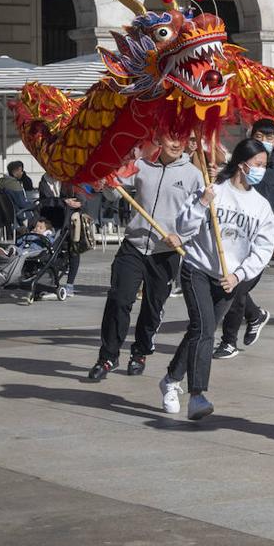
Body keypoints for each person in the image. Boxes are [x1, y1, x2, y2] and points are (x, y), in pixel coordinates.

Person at [159, 138, 274, 420]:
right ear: (242, 163)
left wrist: (239, 275)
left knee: (197, 331)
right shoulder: (213, 191)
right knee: (205, 329)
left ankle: (171, 379)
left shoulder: (261, 207)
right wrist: (201, 203)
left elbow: (263, 249)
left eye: (265, 165)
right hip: (197, 268)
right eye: (258, 164)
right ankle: (197, 395)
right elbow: (183, 226)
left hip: (229, 280)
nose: (262, 170)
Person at [88, 136, 203, 381]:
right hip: (134, 246)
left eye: (181, 139)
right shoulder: (141, 164)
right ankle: (108, 356)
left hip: (165, 252)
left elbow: (200, 214)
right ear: (161, 138)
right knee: (119, 299)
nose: (176, 144)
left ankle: (140, 351)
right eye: (172, 137)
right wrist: (107, 183)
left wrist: (181, 237)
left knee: (153, 307)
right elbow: (114, 192)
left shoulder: (193, 175)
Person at [214, 119, 274, 360]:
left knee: (237, 290)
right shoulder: (240, 166)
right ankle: (255, 316)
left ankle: (228, 341)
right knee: (230, 284)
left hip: (261, 244)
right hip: (233, 239)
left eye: (269, 137)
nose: (264, 141)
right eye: (259, 136)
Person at [0, 161, 34, 227]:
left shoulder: (1, 182)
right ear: (17, 171)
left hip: (4, 213)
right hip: (18, 215)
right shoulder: (15, 185)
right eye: (21, 170)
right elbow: (22, 204)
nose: (22, 173)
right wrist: (34, 206)